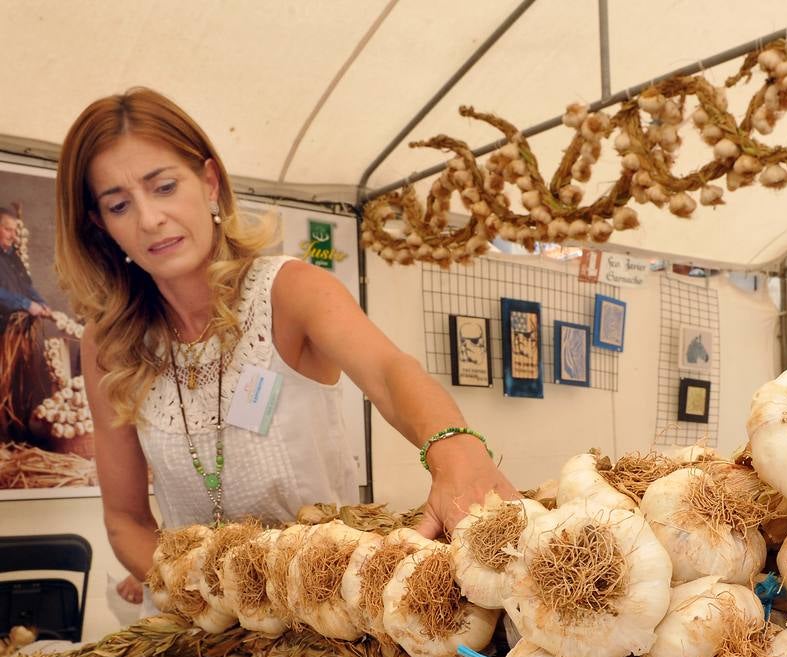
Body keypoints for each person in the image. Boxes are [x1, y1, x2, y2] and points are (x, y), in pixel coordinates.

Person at [55, 88, 518, 606]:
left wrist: (455, 450)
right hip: (206, 635)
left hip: (324, 614)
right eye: (119, 205)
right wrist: (190, 592)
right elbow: (125, 521)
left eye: (163, 187)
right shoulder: (108, 343)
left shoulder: (289, 290)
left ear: (209, 183)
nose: (149, 219)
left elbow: (389, 372)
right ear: (101, 226)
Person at [0, 206, 53, 319]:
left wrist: (40, 302)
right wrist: (26, 304)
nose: (13, 236)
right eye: (8, 230)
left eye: (15, 231)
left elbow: (25, 284)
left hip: (14, 329)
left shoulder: (12, 256)